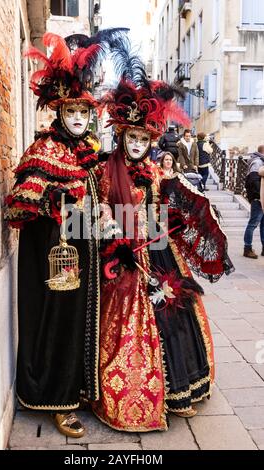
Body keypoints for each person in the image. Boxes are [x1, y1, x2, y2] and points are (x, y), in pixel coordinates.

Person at [92, 40, 233, 431]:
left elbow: (172, 204)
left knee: (175, 313)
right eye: (131, 139)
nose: (136, 145)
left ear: (151, 141)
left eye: (143, 140)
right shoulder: (106, 172)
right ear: (121, 137)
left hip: (160, 250)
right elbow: (94, 211)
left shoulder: (157, 173)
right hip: (124, 257)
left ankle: (182, 391)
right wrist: (110, 229)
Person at [4, 30, 125, 438]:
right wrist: (54, 202)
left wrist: (105, 217)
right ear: (59, 113)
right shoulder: (44, 152)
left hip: (84, 259)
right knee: (56, 324)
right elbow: (22, 205)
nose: (77, 119)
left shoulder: (88, 153)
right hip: (55, 264)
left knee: (79, 324)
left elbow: (97, 202)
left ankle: (76, 389)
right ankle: (55, 398)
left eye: (83, 113)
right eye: (70, 112)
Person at [243, 146, 264, 259]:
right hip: (258, 198)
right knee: (253, 223)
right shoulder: (257, 162)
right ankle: (247, 248)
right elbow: (253, 180)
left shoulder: (260, 161)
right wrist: (258, 197)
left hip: (261, 198)